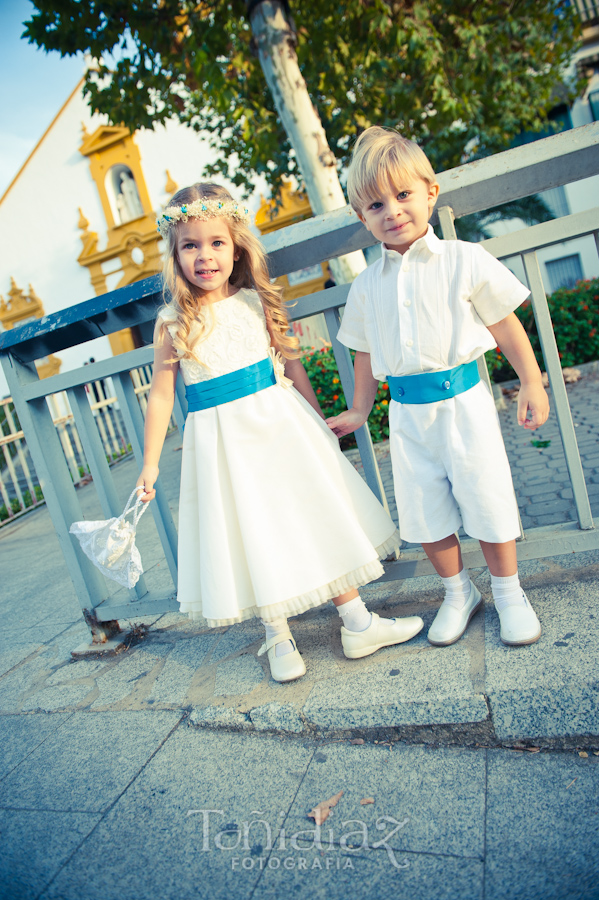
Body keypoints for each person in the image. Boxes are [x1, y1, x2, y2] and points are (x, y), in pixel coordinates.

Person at [136, 182, 423, 682]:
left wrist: (316, 423)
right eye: (191, 245)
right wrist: (150, 462)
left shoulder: (256, 303)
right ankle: (277, 635)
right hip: (221, 444)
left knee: (312, 511)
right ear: (175, 254)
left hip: (281, 427)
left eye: (217, 242)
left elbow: (292, 365)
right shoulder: (171, 322)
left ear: (237, 245)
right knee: (252, 528)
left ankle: (356, 621)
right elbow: (162, 394)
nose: (205, 256)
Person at [328, 127, 549, 648]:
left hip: (466, 406)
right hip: (406, 416)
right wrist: (360, 409)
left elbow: (505, 324)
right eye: (376, 204)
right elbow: (363, 353)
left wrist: (532, 382)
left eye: (403, 195)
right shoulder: (366, 286)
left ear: (430, 191)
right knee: (425, 514)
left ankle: (509, 592)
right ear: (362, 217)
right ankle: (457, 592)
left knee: (487, 499)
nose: (392, 211)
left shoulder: (464, 259)